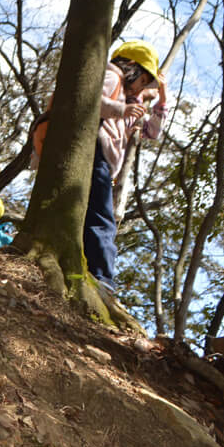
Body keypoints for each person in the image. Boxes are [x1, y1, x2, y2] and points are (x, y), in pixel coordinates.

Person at [85, 40, 167, 295]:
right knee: (102, 220)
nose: (143, 88)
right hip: (95, 154)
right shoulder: (111, 76)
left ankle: (90, 272)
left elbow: (152, 131)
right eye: (143, 80)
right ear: (131, 66)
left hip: (105, 164)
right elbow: (88, 101)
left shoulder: (129, 99)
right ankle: (102, 278)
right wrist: (123, 109)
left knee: (95, 217)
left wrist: (161, 97)